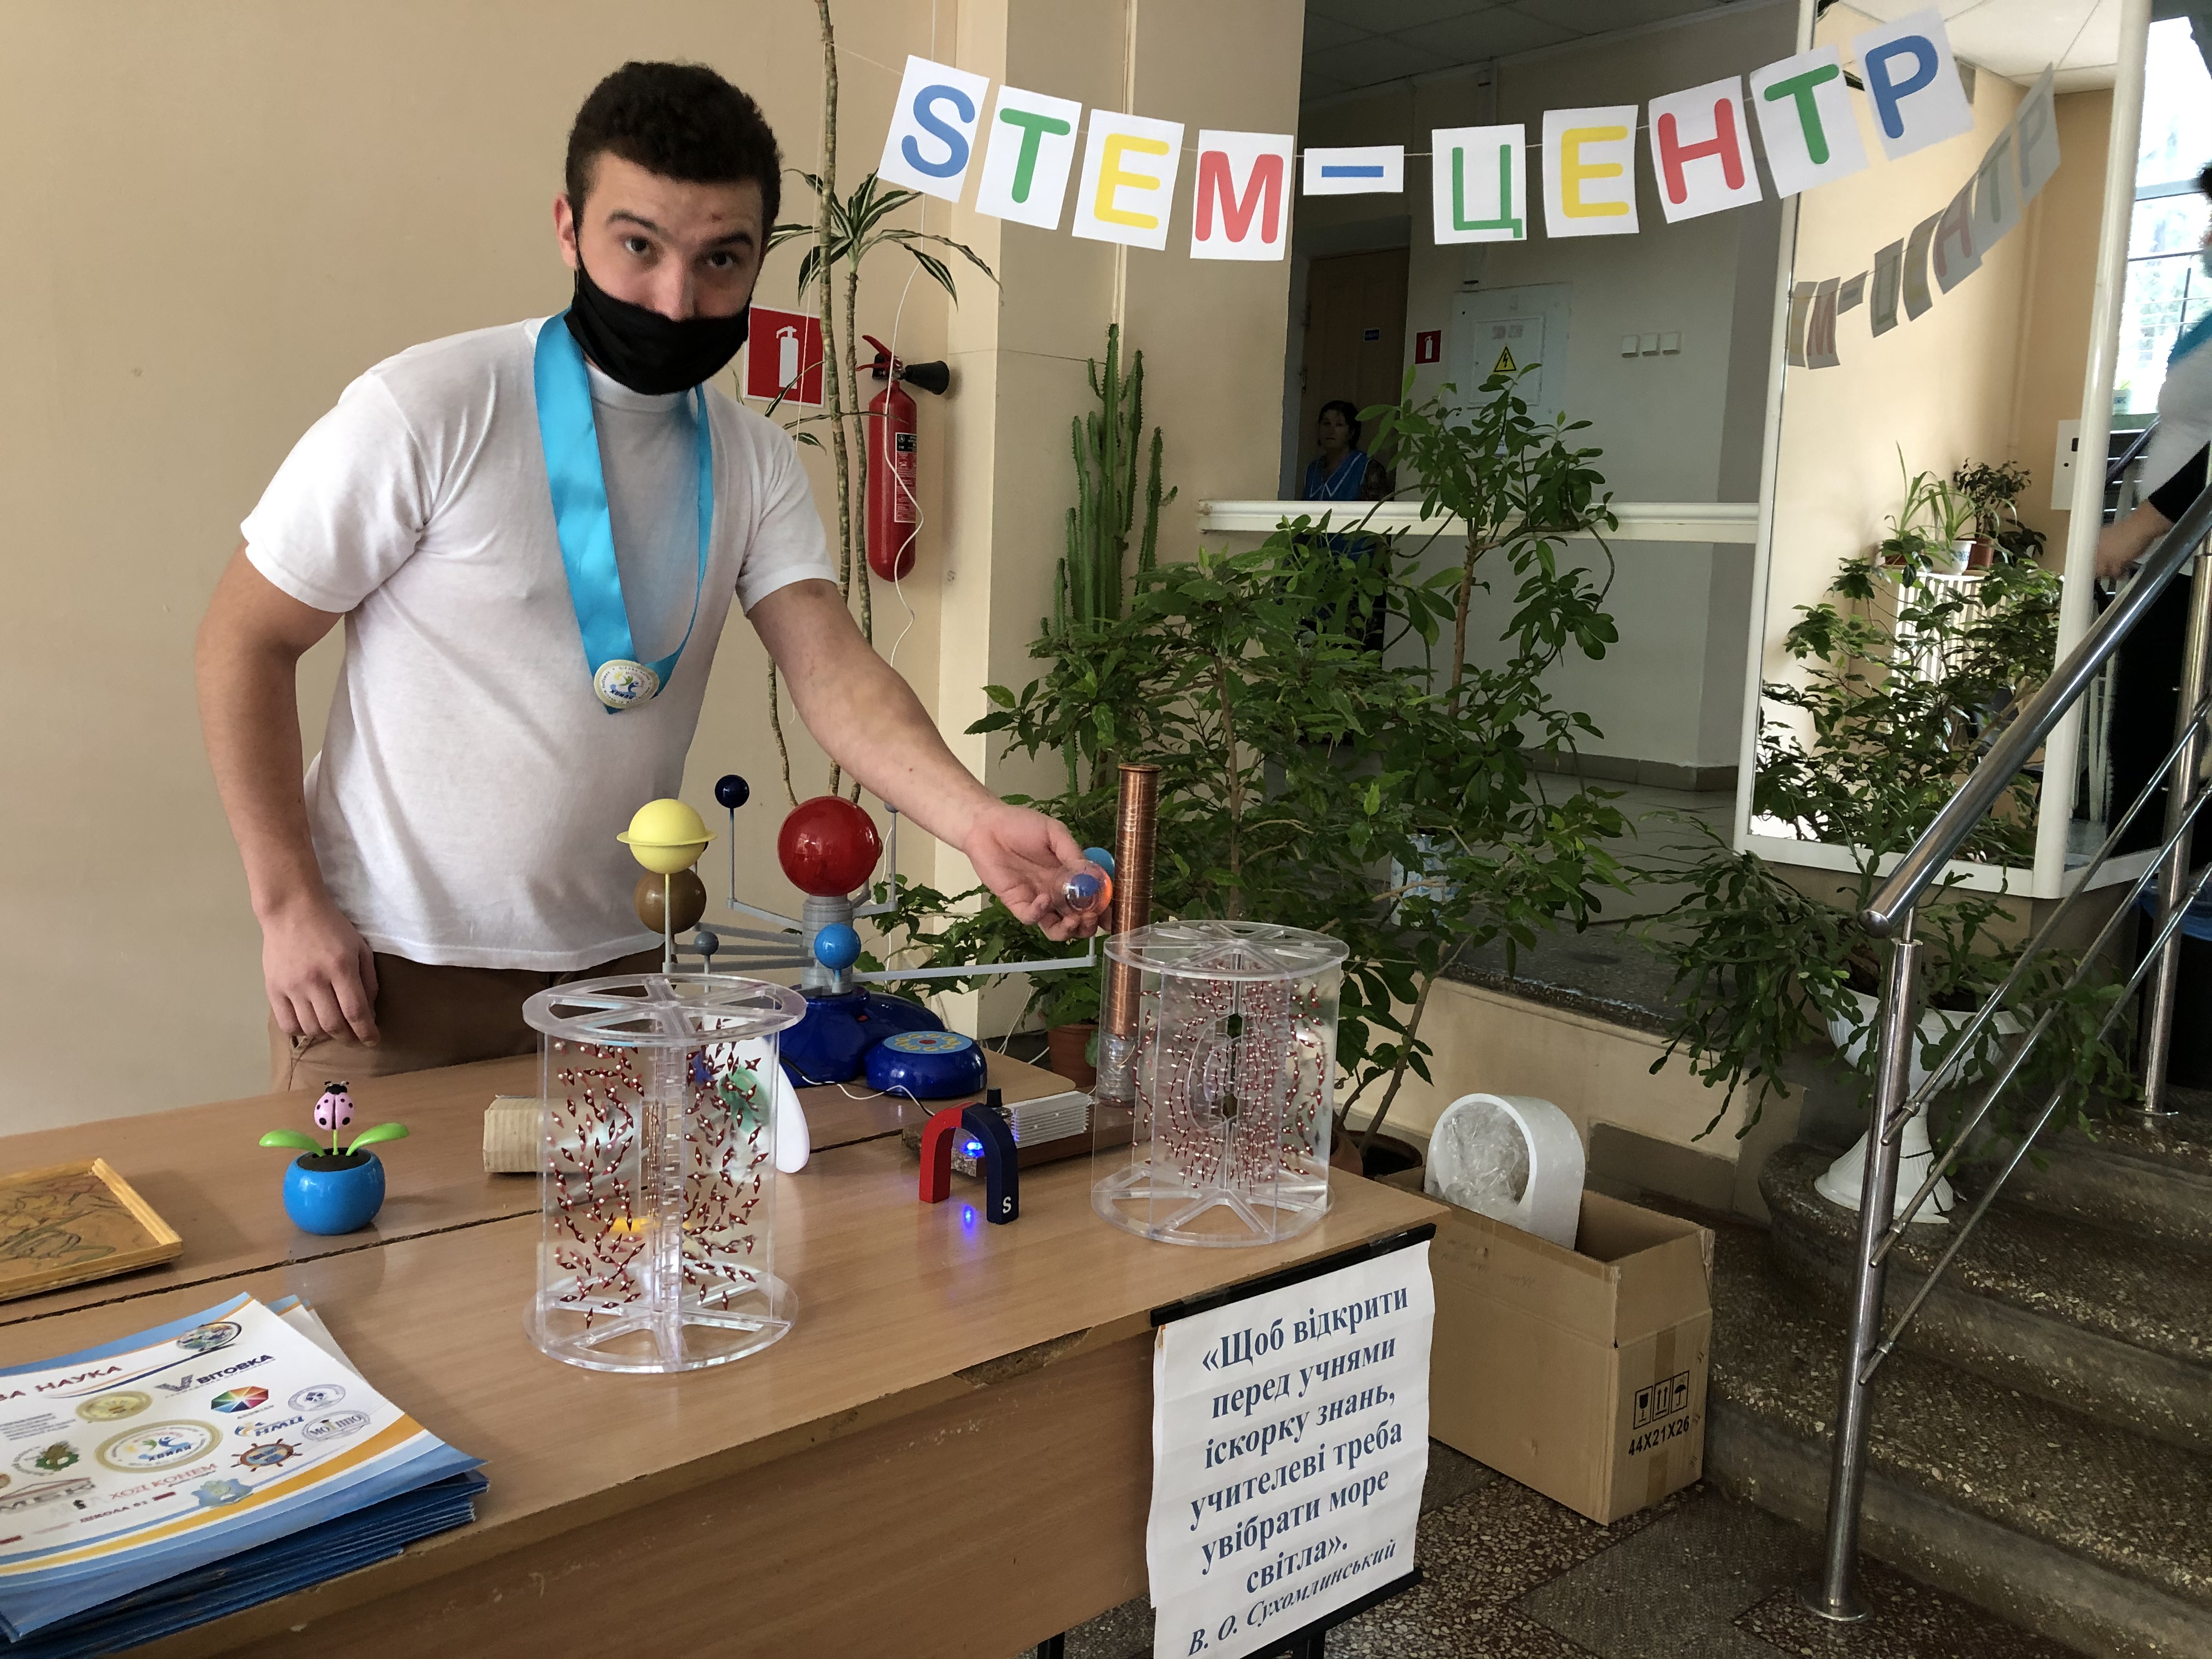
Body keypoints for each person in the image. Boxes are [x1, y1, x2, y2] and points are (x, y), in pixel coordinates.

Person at [196, 62, 1097, 1090]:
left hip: (621, 972)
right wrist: (287, 905)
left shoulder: (754, 458)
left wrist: (975, 821)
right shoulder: (430, 407)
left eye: (721, 259)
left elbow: (834, 672)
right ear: (568, 228)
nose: (677, 299)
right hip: (385, 971)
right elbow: (244, 640)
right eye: (639, 246)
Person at [2094, 163, 2212, 855]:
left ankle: (2165, 909)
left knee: (2158, 748)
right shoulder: (2205, 328)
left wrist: (2140, 526)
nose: (2207, 238)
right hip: (2176, 566)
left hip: (2197, 567)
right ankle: (2138, 905)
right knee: (2139, 744)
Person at [1301, 400, 1386, 503]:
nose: (1331, 431)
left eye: (1339, 425)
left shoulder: (1367, 468)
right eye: (1326, 424)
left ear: (1351, 432)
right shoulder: (1312, 470)